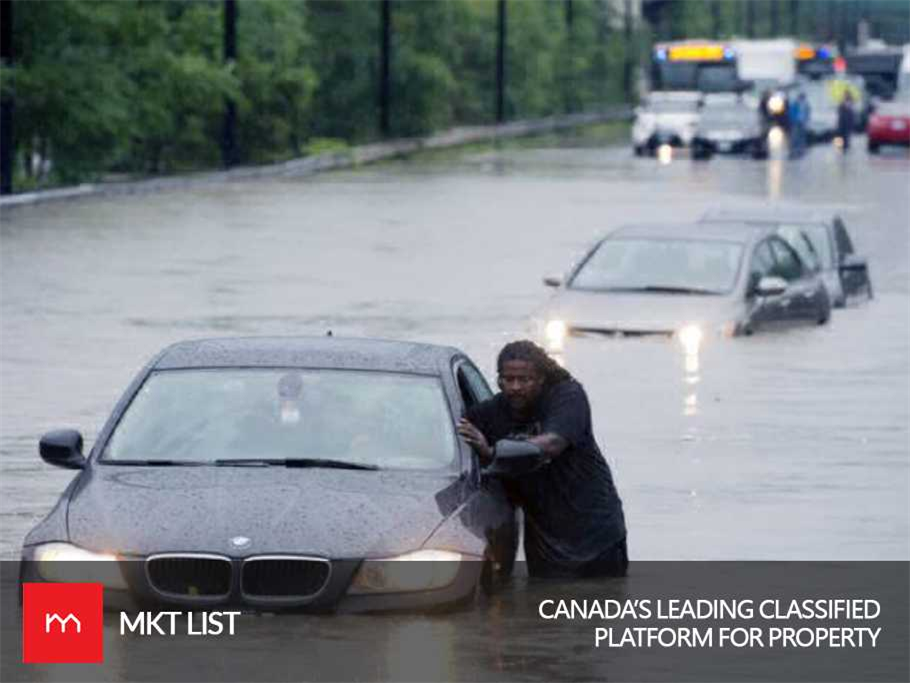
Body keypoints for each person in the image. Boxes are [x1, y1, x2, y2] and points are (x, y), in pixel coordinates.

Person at [457, 340, 628, 578]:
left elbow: (552, 443)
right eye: (508, 379)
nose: (515, 387)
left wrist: (493, 452)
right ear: (499, 380)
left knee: (602, 604)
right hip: (545, 538)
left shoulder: (567, 396)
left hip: (595, 532)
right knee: (546, 606)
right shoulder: (491, 413)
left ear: (541, 379)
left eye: (524, 380)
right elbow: (450, 433)